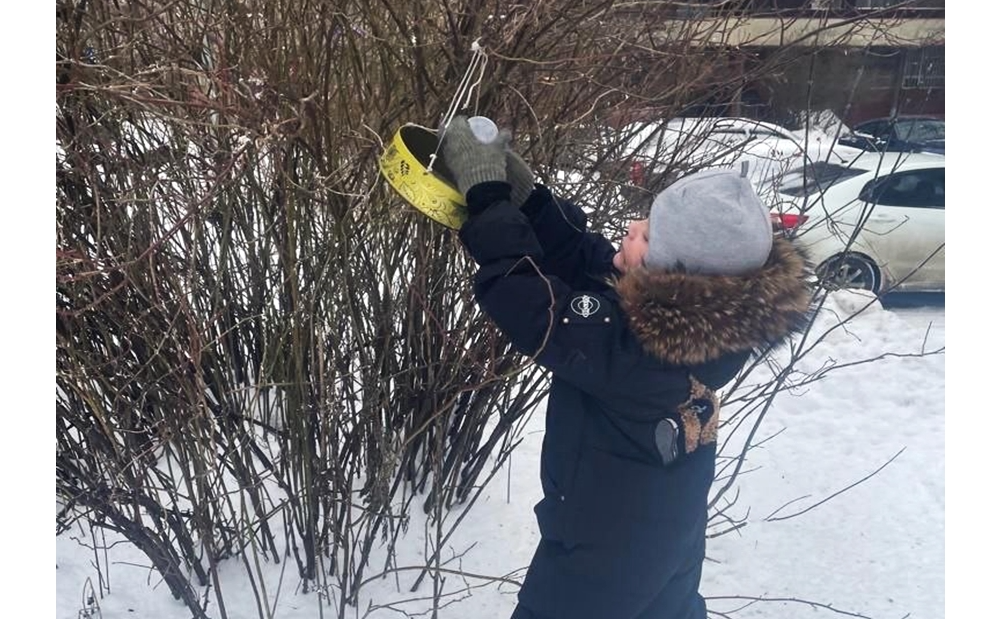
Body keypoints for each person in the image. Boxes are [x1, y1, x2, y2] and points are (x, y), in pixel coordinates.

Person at [438, 115, 812, 619]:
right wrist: (530, 201)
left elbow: (531, 302)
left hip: (600, 567)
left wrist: (486, 198)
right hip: (663, 552)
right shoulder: (695, 331)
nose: (632, 228)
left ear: (671, 275)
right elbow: (586, 265)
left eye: (649, 234)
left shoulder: (639, 354)